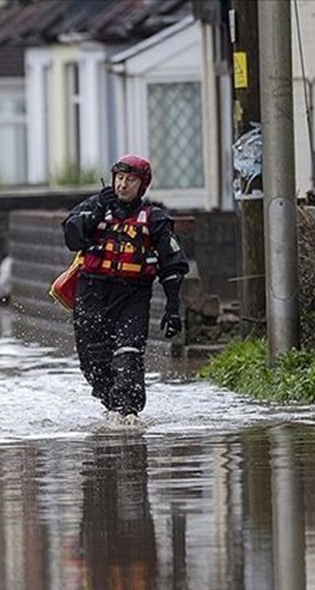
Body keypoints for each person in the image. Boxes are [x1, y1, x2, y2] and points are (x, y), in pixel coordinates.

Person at [62, 154, 189, 417]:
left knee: (128, 354)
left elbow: (172, 265)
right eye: (119, 178)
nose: (122, 185)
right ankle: (112, 407)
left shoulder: (154, 220)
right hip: (92, 294)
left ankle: (128, 413)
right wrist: (97, 212)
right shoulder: (93, 206)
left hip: (133, 296)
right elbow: (72, 238)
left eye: (130, 180)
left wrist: (173, 308)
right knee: (93, 363)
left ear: (142, 186)